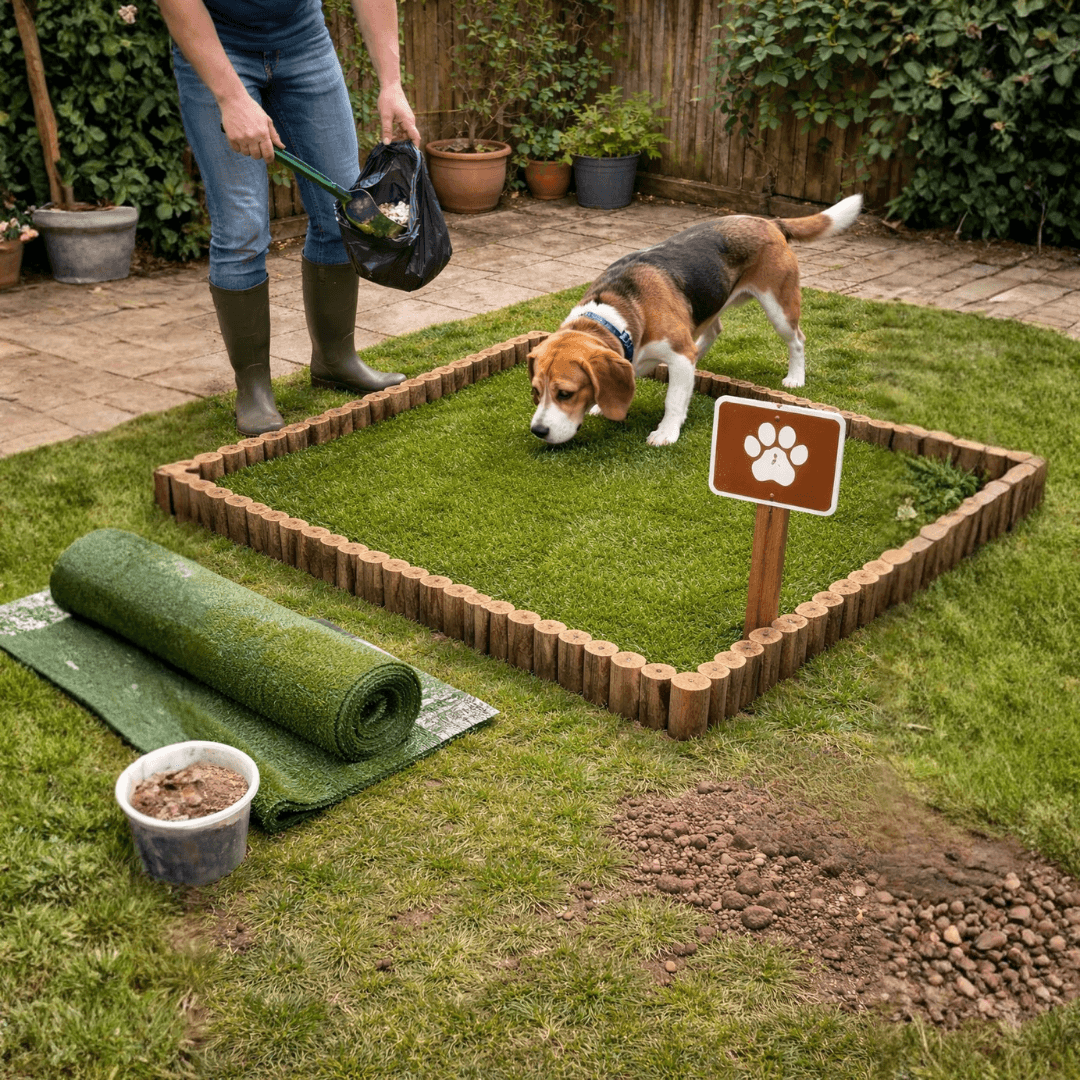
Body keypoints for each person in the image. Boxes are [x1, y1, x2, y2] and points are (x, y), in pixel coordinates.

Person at [157, 0, 421, 435]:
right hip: (219, 45)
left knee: (342, 212)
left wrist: (391, 83)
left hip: (302, 38)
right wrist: (230, 97)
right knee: (242, 229)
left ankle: (336, 360)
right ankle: (254, 387)